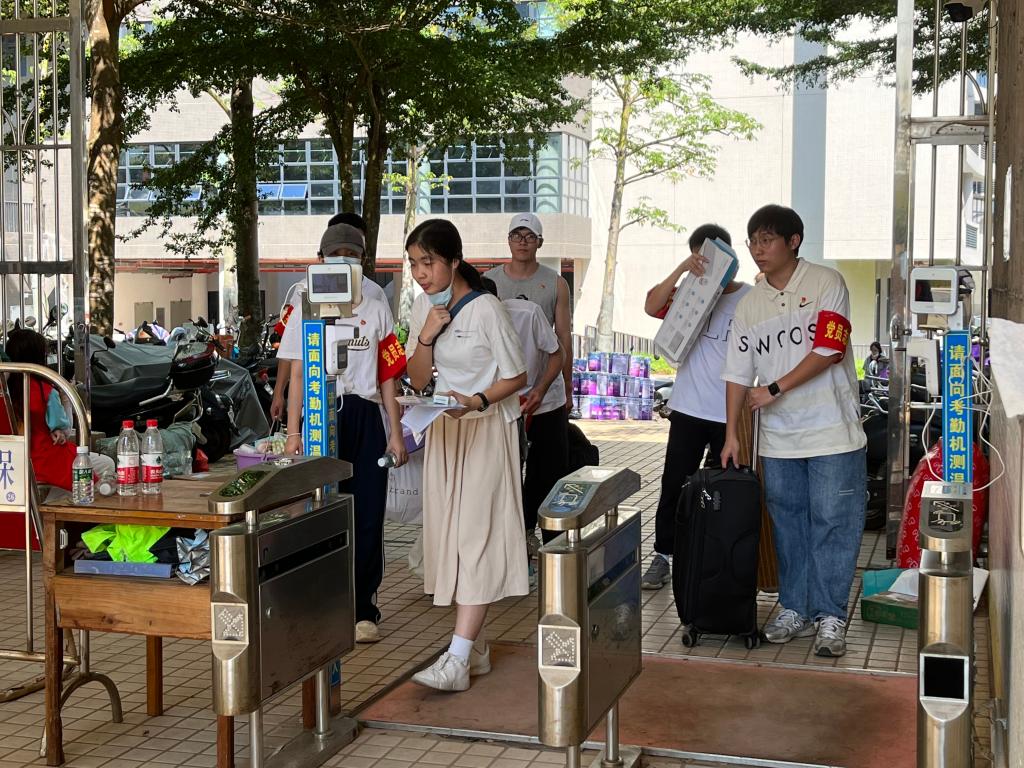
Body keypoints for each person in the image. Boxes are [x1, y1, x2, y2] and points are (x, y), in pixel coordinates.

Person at [720, 204, 866, 658]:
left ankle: (830, 615)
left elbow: (830, 349)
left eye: (767, 240)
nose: (757, 250)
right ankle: (794, 607)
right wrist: (732, 434)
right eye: (753, 242)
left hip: (832, 431)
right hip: (778, 440)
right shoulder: (750, 304)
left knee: (833, 523)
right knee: (787, 526)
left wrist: (775, 388)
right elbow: (737, 373)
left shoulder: (826, 283)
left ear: (793, 241)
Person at [404, 219, 528, 692]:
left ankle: (456, 659)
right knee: (452, 540)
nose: (421, 273)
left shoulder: (486, 309)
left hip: (486, 432)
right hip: (445, 432)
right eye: (414, 264)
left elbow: (516, 376)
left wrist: (475, 401)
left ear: (454, 261)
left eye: (428, 262)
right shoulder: (423, 307)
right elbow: (418, 379)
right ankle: (476, 649)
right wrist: (427, 335)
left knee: (475, 537)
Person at [280, 222, 408, 645]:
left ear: (363, 260)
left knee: (367, 510)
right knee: (320, 510)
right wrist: (293, 432)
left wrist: (394, 432)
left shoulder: (376, 299)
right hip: (320, 411)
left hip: (365, 412)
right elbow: (298, 371)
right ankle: (321, 602)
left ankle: (363, 608)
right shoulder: (303, 298)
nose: (343, 262)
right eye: (335, 255)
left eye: (352, 256)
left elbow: (388, 373)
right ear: (320, 259)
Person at [641, 224, 751, 589]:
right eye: (700, 257)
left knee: (723, 489)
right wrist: (682, 270)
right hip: (688, 408)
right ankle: (663, 554)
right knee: (674, 483)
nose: (708, 263)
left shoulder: (750, 298)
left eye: (714, 256)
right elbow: (651, 305)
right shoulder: (689, 292)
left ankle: (717, 558)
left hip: (729, 414)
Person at [480, 277, 566, 556]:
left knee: (546, 475)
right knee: (507, 476)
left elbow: (558, 353)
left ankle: (552, 546)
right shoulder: (466, 322)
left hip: (544, 401)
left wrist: (541, 389)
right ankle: (517, 542)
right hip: (503, 406)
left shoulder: (527, 313)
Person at [270, 212, 371, 422]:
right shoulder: (304, 293)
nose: (344, 258)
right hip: (317, 400)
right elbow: (292, 351)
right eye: (336, 250)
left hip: (363, 404)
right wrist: (279, 392)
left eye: (352, 250)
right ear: (322, 256)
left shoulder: (374, 295)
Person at [2, 328, 115, 494]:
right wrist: (66, 397)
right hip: (45, 462)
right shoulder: (45, 390)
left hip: (10, 461)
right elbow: (65, 430)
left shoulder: (4, 390)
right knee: (105, 466)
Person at [483, 213, 572, 411]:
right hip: (501, 390)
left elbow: (564, 337)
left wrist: (568, 385)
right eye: (516, 236)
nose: (522, 242)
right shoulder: (488, 281)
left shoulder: (556, 283)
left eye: (530, 236)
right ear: (508, 240)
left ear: (540, 242)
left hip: (547, 390)